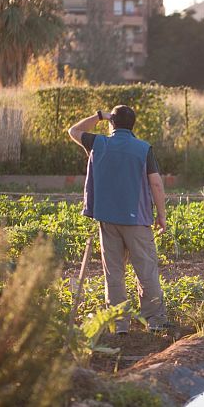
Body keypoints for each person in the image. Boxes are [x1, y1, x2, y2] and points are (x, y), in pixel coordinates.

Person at [68, 105, 170, 334]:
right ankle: (154, 320)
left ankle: (118, 323)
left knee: (114, 272)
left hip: (108, 219)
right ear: (133, 125)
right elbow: (155, 183)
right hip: (138, 219)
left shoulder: (99, 144)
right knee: (146, 270)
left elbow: (73, 131)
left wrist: (98, 117)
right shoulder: (143, 149)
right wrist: (162, 216)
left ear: (111, 123)